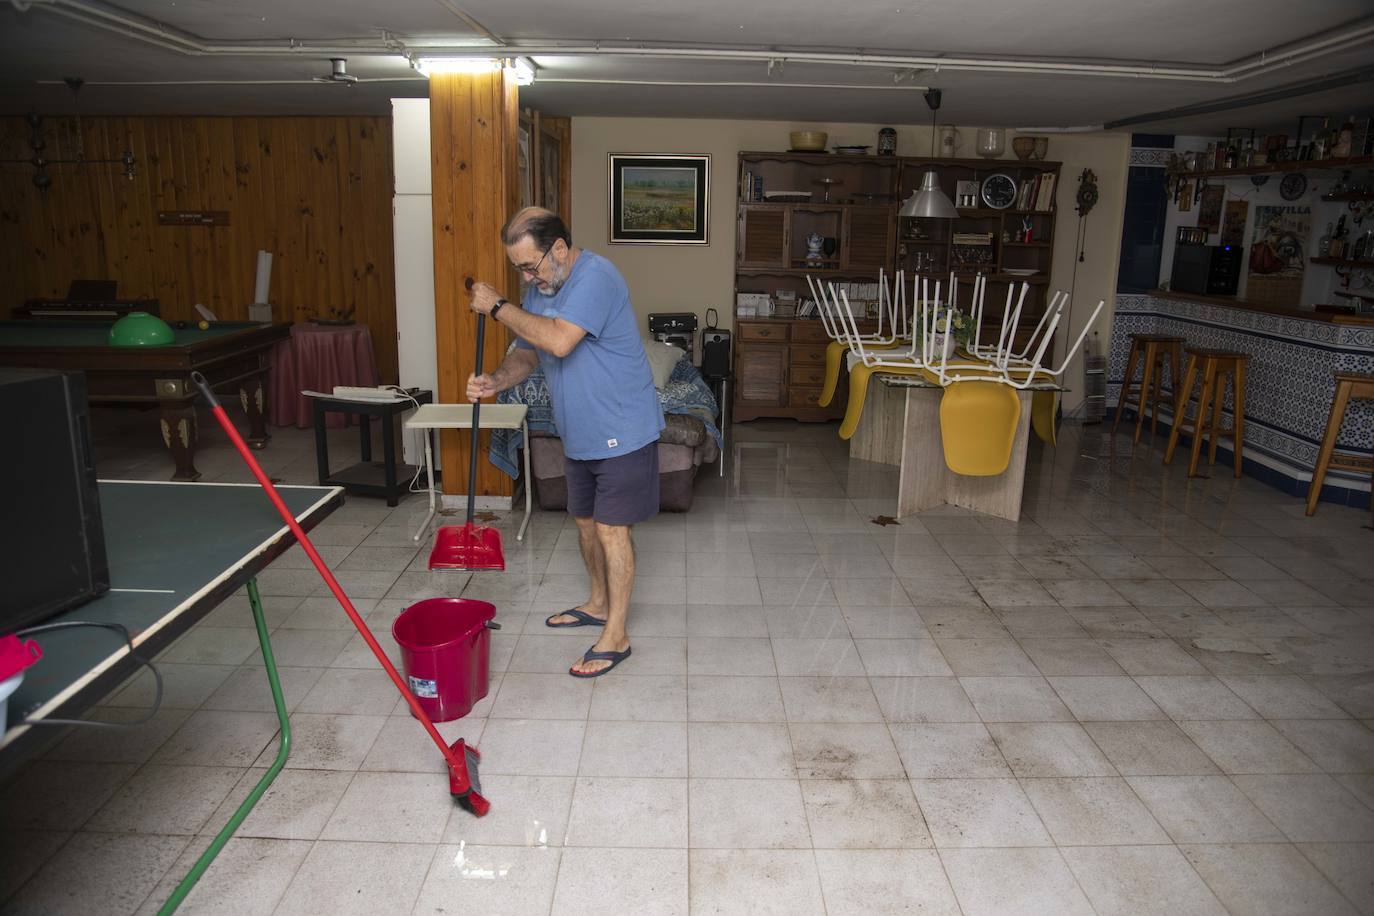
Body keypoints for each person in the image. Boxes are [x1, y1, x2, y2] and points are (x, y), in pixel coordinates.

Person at [466, 207, 663, 678]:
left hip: (622, 427)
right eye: (519, 270)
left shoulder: (597, 276)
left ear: (559, 248)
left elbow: (557, 341)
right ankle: (598, 603)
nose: (527, 278)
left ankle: (616, 635)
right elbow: (528, 354)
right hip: (579, 431)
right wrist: (496, 380)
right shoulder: (540, 289)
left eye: (530, 266)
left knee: (614, 530)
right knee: (586, 523)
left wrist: (496, 306)